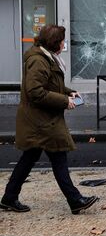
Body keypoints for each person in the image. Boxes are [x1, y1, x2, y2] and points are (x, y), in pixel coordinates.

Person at [0, 25, 99, 214]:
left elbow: (52, 85)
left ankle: (9, 197)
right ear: (55, 43)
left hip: (39, 119)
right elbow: (36, 92)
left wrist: (70, 92)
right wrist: (64, 100)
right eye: (62, 40)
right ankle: (75, 199)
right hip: (41, 121)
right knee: (59, 154)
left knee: (29, 158)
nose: (64, 43)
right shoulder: (39, 61)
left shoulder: (46, 57)